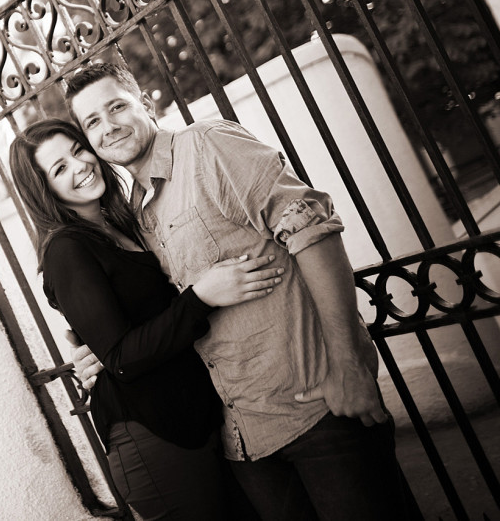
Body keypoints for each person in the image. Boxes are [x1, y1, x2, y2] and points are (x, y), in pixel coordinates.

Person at [61, 62, 421, 521]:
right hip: (243, 442)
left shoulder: (208, 146)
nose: (108, 127)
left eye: (116, 107)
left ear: (145, 104)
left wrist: (349, 365)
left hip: (318, 413)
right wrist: (104, 352)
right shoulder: (136, 212)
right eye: (92, 121)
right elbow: (162, 319)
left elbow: (311, 226)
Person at [10, 118, 281, 520]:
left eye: (77, 150)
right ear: (43, 190)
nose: (80, 165)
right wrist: (203, 296)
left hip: (204, 419)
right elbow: (120, 356)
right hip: (156, 438)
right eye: (59, 169)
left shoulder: (124, 221)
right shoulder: (67, 249)